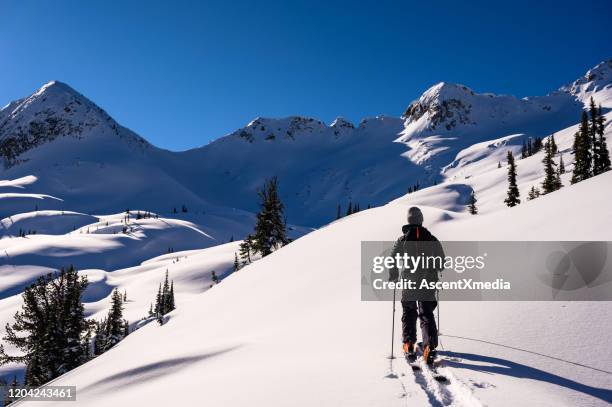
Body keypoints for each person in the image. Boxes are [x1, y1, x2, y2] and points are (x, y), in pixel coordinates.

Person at [389, 207, 445, 365]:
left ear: (408, 220)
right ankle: (429, 347)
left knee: (409, 311)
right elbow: (441, 261)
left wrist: (393, 275)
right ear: (421, 220)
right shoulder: (432, 238)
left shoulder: (402, 240)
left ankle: (409, 344)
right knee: (426, 313)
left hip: (409, 281)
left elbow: (392, 259)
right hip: (428, 281)